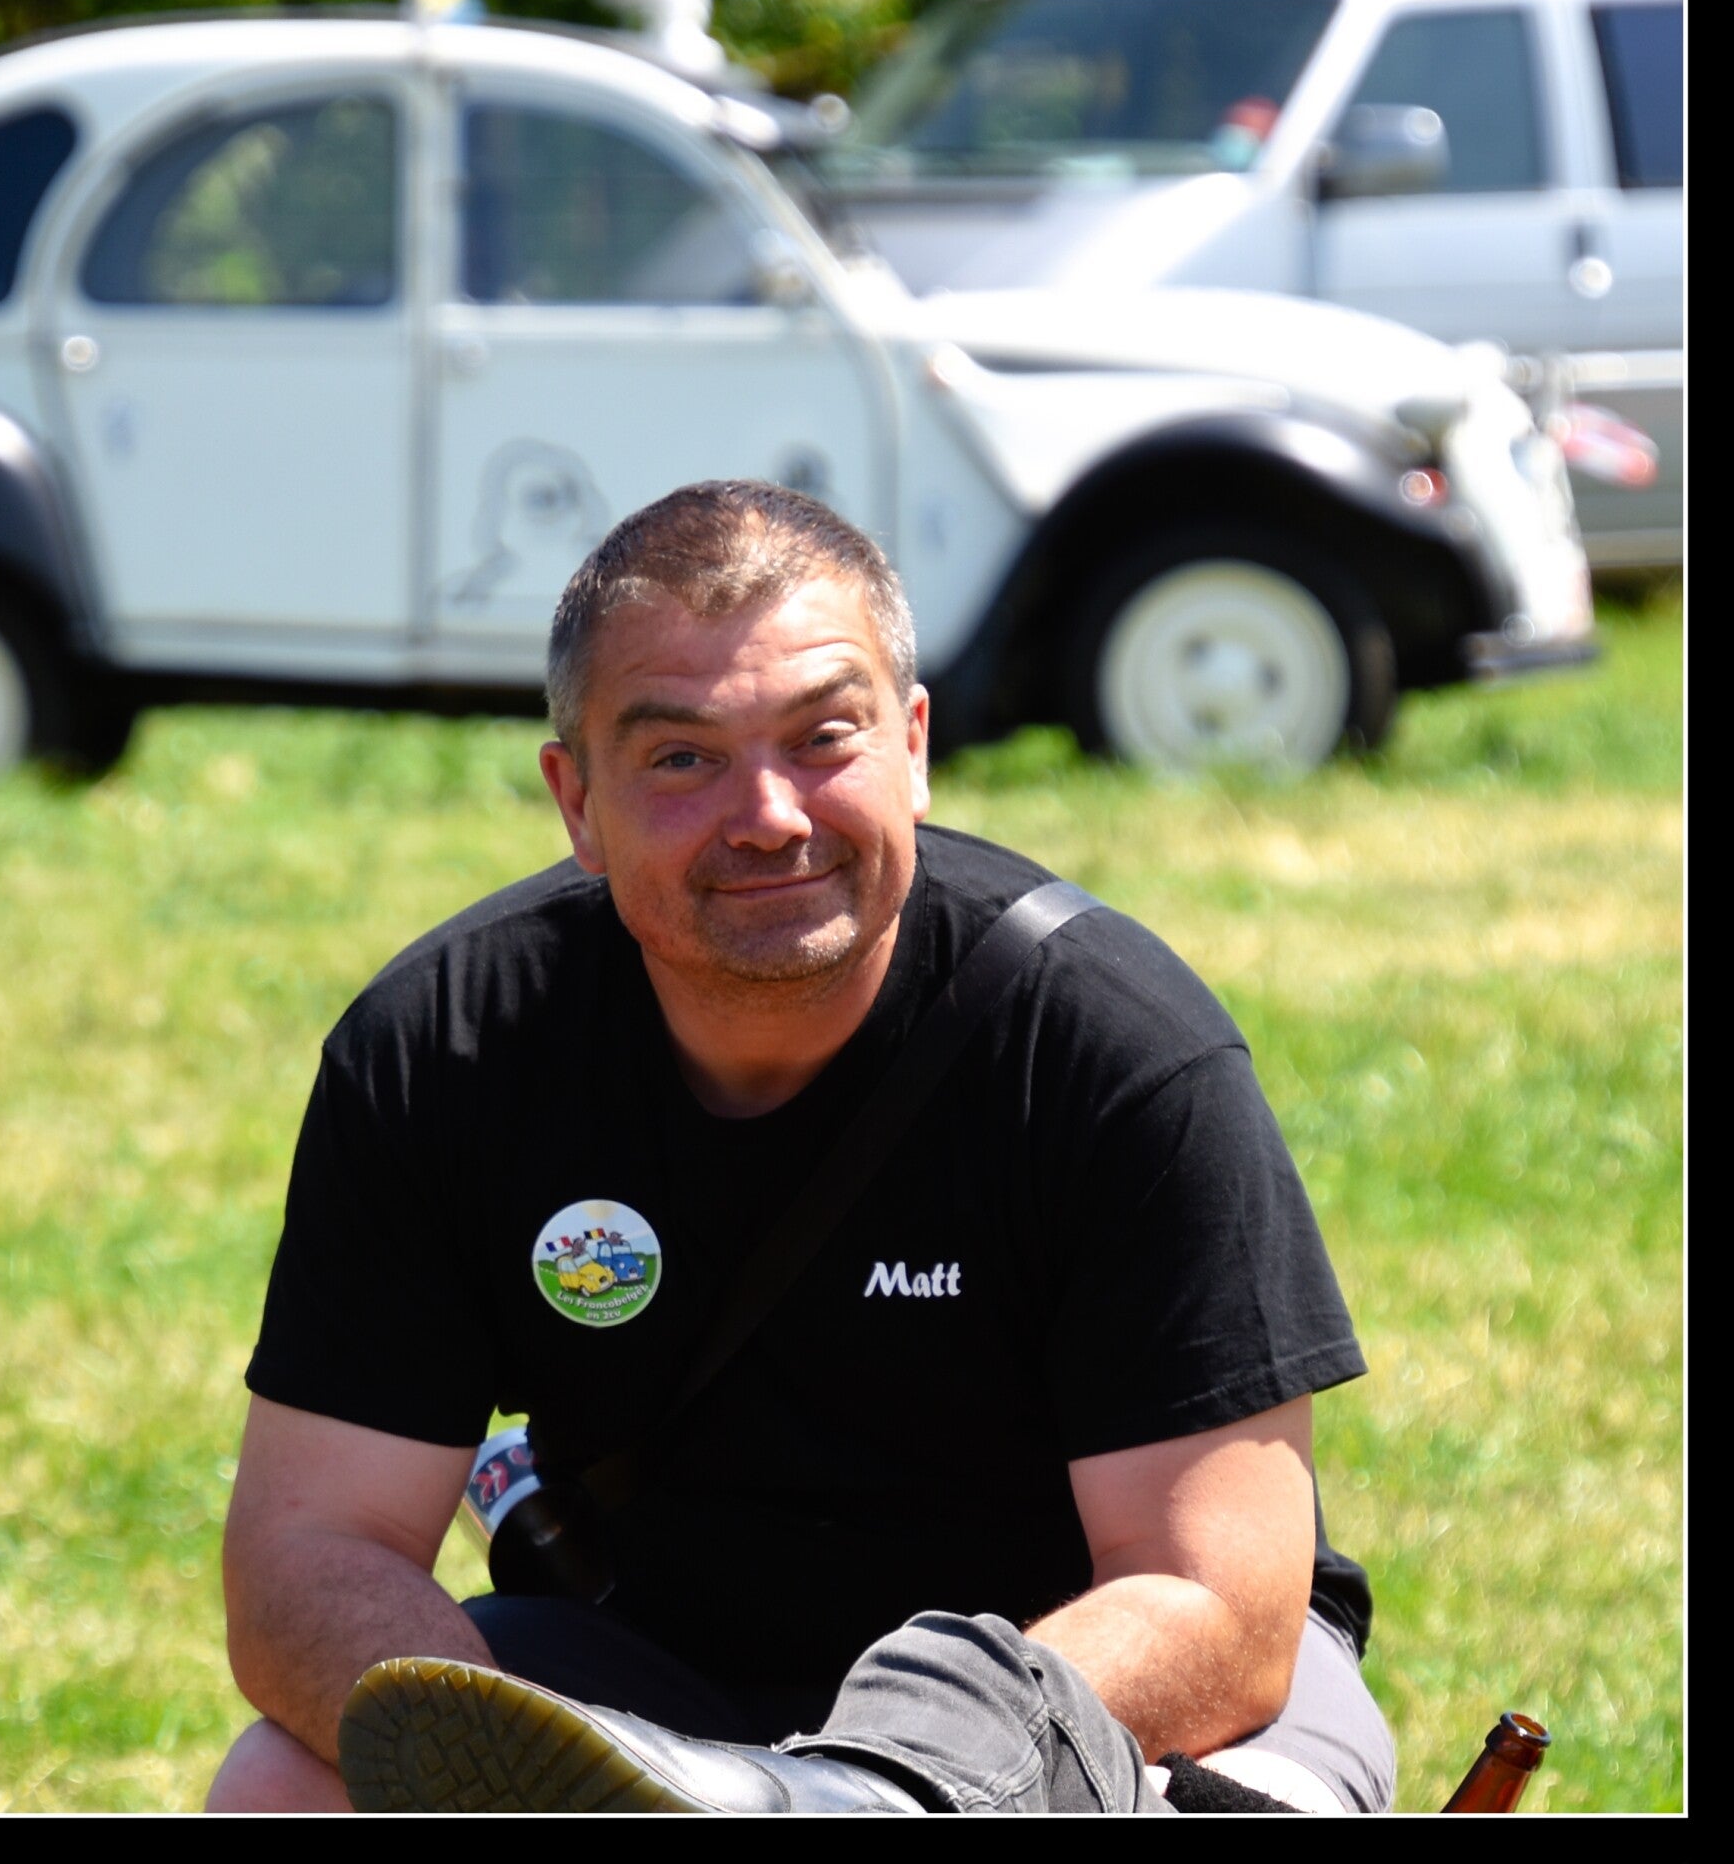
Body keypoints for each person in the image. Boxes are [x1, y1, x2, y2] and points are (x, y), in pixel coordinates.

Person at [207, 480, 1395, 1814]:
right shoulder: (444, 1049)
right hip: (658, 1676)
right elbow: (313, 1553)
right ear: (576, 800)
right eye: (682, 759)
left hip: (1096, 1683)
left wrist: (861, 1790)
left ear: (914, 746)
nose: (769, 814)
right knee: (284, 1787)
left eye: (824, 738)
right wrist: (511, 1774)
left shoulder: (1113, 1048)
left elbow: (1213, 1607)